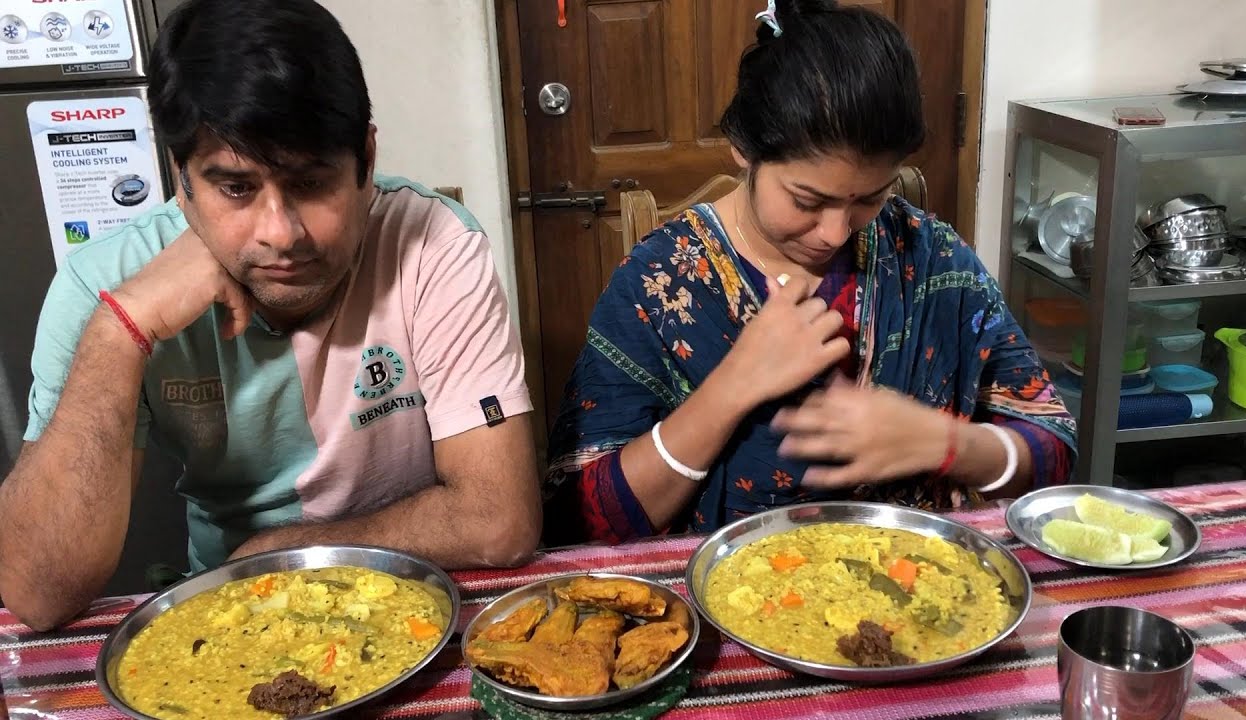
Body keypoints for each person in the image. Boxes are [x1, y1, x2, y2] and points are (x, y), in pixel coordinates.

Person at [0, 0, 540, 630]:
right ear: (181, 177)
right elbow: (37, 594)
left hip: (417, 593)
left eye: (311, 183)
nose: (280, 233)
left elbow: (499, 521)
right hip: (230, 607)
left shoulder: (432, 243)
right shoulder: (103, 285)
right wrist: (122, 331)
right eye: (236, 188)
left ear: (366, 161)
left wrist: (281, 553)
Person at [543, 0, 1076, 547]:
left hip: (919, 593)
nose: (836, 233)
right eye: (806, 199)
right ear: (743, 149)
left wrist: (947, 443)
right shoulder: (660, 284)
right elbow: (583, 519)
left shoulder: (930, 258)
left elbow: (1054, 451)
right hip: (732, 602)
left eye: (870, 198)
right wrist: (732, 386)